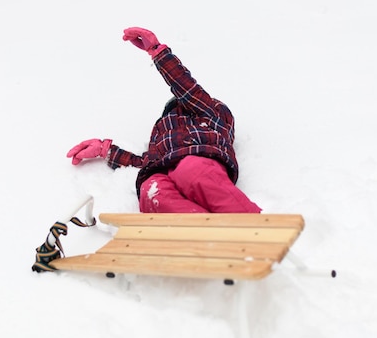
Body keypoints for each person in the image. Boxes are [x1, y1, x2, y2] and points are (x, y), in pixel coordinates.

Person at [66, 27, 261, 214]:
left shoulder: (209, 112)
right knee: (151, 189)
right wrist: (105, 150)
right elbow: (143, 162)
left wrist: (157, 52)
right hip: (163, 169)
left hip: (198, 158)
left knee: (191, 171)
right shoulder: (161, 137)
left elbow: (185, 86)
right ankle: (198, 229)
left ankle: (250, 222)